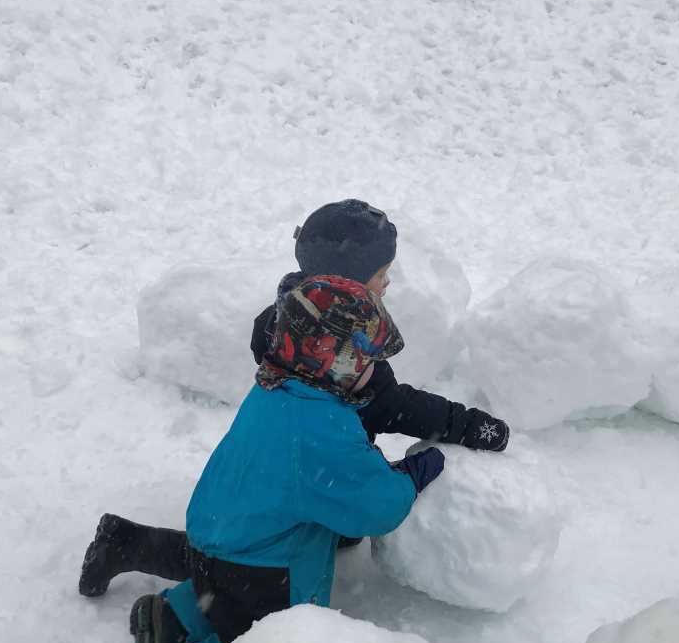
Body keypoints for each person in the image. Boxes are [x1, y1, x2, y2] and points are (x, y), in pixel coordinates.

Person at [79, 200, 509, 600]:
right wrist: (467, 426)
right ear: (348, 285)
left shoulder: (289, 328)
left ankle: (129, 544)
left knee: (225, 552)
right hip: (318, 468)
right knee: (250, 567)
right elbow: (395, 407)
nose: (389, 281)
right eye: (381, 274)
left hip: (270, 470)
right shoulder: (343, 357)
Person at [79, 273, 447, 643]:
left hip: (217, 536)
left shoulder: (276, 388)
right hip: (270, 571)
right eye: (368, 360)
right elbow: (377, 508)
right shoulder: (321, 427)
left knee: (221, 601)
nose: (376, 371)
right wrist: (413, 473)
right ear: (339, 362)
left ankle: (173, 617)